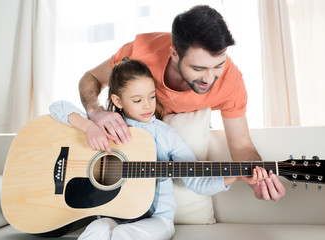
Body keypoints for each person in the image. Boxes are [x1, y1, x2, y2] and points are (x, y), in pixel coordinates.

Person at [78, 5, 285, 201]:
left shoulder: (231, 81)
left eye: (218, 65)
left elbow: (241, 145)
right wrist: (95, 111)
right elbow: (91, 78)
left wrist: (260, 182)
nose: (209, 78)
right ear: (175, 53)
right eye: (198, 68)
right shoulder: (140, 52)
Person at [51, 58, 267, 240]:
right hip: (111, 214)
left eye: (152, 97)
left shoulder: (165, 135)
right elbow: (57, 107)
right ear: (117, 100)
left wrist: (237, 176)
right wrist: (90, 125)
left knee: (123, 235)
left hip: (157, 221)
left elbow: (197, 180)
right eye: (137, 100)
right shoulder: (106, 125)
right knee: (97, 229)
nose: (147, 106)